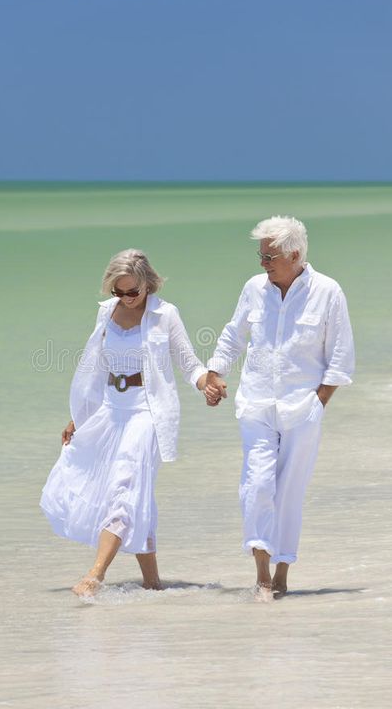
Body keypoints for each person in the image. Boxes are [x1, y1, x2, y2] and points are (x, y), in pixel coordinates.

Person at [40, 249, 207, 597]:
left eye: (133, 292)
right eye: (119, 292)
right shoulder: (105, 313)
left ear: (148, 284)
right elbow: (95, 370)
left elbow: (189, 363)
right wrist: (79, 417)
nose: (126, 299)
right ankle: (152, 584)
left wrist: (208, 384)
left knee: (124, 487)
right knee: (134, 492)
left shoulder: (165, 314)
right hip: (110, 410)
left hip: (148, 411)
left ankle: (95, 574)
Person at [204, 216, 355, 600]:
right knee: (256, 487)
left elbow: (340, 356)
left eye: (269, 256)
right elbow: (233, 334)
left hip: (301, 408)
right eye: (260, 255)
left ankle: (283, 571)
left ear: (295, 254)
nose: (262, 263)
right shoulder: (254, 289)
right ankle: (261, 576)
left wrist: (317, 404)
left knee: (289, 491)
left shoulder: (328, 291)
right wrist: (214, 373)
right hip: (255, 404)